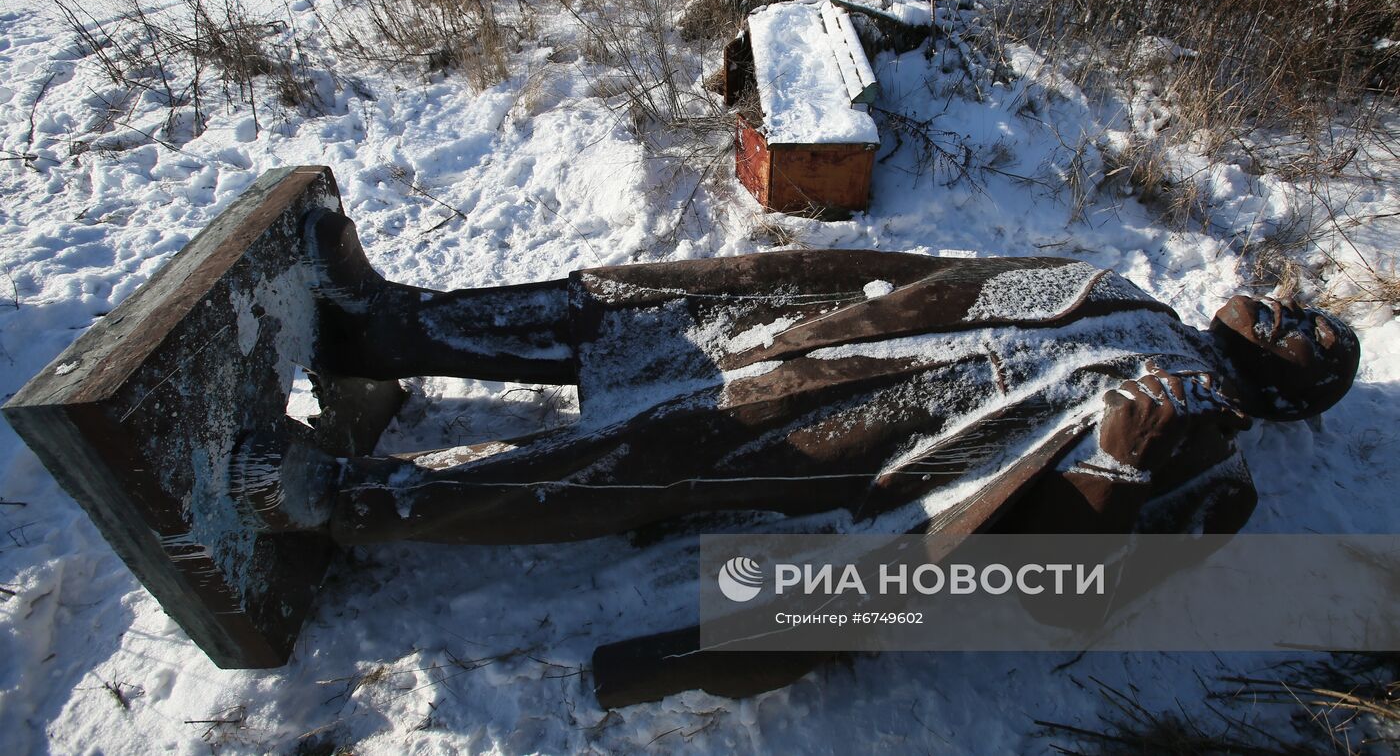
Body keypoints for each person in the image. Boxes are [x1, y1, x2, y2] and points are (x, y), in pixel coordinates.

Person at [230, 208, 1360, 704]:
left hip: (879, 439)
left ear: (1294, 394)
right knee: (625, 309)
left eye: (1315, 341)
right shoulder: (1138, 295)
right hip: (838, 326)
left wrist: (1114, 468)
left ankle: (352, 502)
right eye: (1306, 306)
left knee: (644, 453)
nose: (1292, 309)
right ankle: (397, 324)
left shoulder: (1213, 465)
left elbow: (1058, 596)